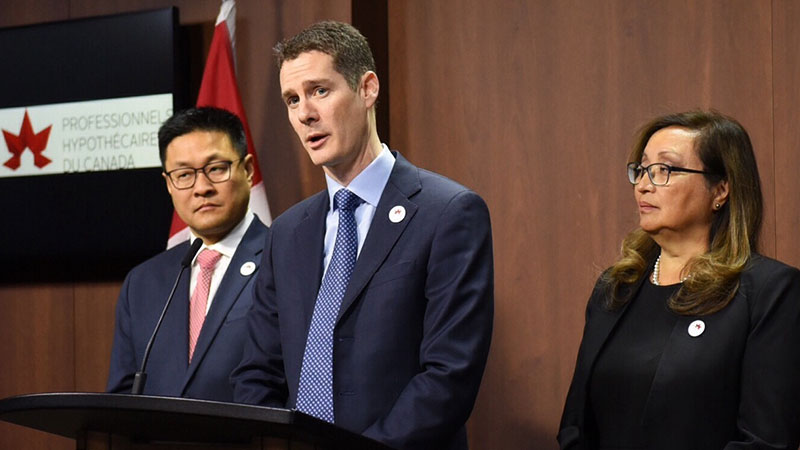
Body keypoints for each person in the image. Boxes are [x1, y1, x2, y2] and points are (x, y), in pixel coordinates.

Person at [231, 21, 493, 450]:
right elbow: (258, 372)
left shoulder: (448, 213)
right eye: (291, 99)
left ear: (367, 88)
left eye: (319, 90)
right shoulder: (286, 233)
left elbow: (449, 376)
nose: (304, 114)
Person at [558, 110, 800, 449]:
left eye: (664, 170)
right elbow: (574, 427)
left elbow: (766, 440)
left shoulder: (769, 292)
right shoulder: (615, 288)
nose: (643, 184)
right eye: (641, 170)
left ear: (721, 190)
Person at [107, 107, 268, 401]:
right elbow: (122, 398)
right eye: (184, 175)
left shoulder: (282, 259)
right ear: (169, 184)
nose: (201, 188)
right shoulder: (143, 283)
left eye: (216, 169)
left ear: (247, 170)